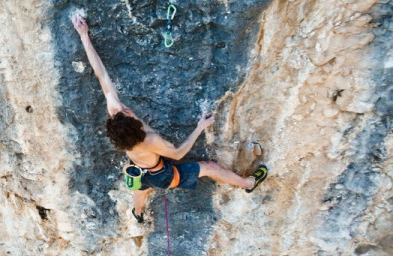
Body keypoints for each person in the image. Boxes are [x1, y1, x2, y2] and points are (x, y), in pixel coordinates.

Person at [71, 14, 267, 222]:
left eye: (123, 113)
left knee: (141, 187)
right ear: (136, 128)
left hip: (138, 167)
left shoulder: (117, 114)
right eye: (127, 115)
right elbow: (179, 153)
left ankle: (137, 213)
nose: (126, 110)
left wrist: (84, 36)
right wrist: (200, 126)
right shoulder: (151, 141)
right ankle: (248, 184)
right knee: (209, 167)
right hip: (161, 175)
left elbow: (101, 74)